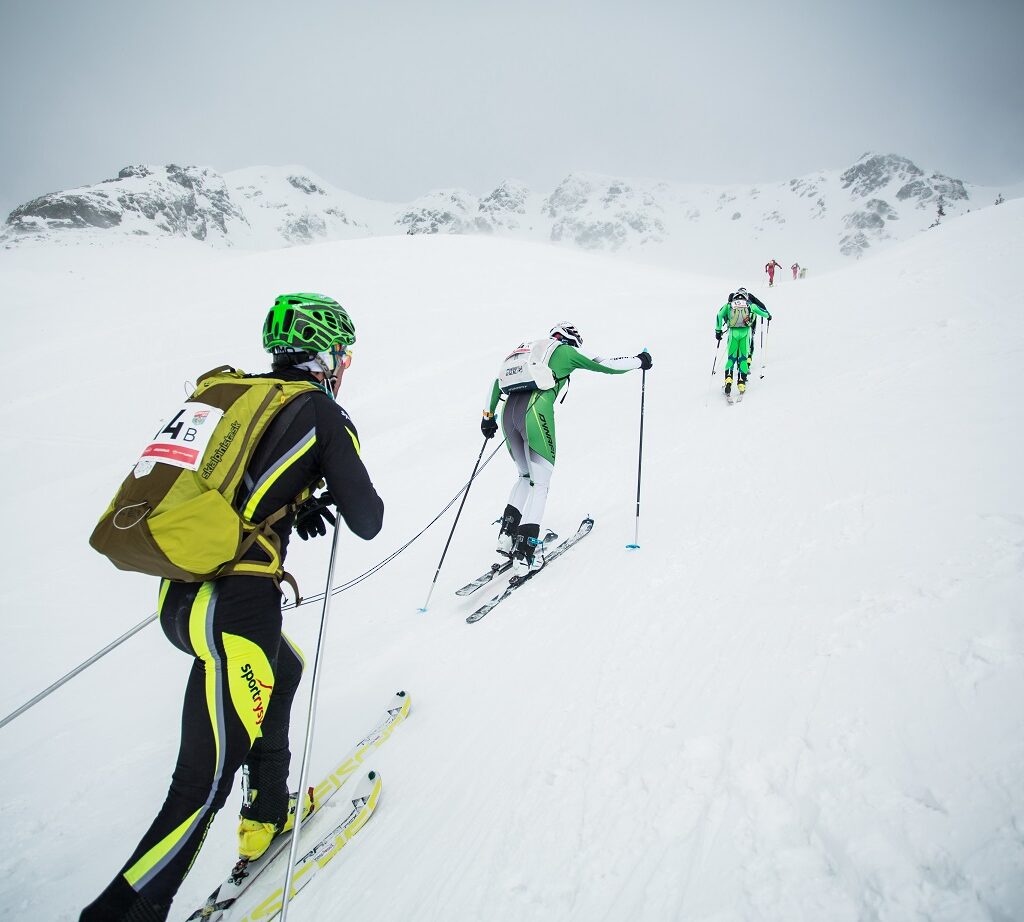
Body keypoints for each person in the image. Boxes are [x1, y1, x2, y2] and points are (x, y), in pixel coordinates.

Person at [80, 293, 384, 922]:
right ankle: (121, 913)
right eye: (344, 353)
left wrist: (292, 504)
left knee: (285, 671)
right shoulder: (321, 411)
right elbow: (369, 520)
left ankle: (264, 817)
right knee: (200, 785)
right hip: (237, 610)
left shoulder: (240, 397)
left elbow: (236, 485)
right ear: (327, 352)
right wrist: (327, 475)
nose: (345, 365)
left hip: (182, 596)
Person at [480, 322, 651, 575]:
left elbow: (497, 383)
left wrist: (488, 416)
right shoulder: (566, 352)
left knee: (524, 477)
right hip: (535, 411)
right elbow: (609, 365)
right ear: (571, 339)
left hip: (508, 414)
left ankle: (507, 535)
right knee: (541, 483)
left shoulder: (529, 350)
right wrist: (640, 360)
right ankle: (525, 555)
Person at [716, 289, 771, 397]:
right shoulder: (750, 305)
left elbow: (719, 314)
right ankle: (741, 384)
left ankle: (728, 381)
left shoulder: (729, 305)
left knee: (731, 358)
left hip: (733, 333)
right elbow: (763, 312)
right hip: (745, 333)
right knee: (743, 359)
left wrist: (718, 331)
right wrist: (768, 316)